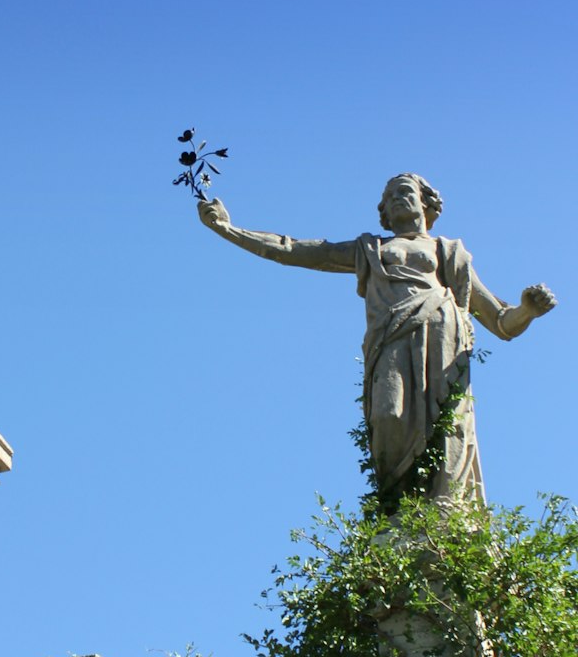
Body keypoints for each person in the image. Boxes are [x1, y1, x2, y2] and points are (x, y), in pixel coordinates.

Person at [198, 174, 556, 501]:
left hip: (443, 344)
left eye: (405, 192)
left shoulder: (449, 253)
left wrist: (528, 309)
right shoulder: (369, 249)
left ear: (426, 205)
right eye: (389, 197)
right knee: (388, 417)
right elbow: (296, 250)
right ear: (383, 212)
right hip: (390, 342)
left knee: (448, 427)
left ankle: (446, 508)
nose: (397, 199)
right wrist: (230, 230)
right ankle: (398, 508)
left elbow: (501, 322)